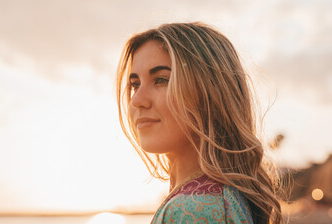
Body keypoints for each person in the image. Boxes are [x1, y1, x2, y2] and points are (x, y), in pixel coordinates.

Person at [116, 22, 283, 224]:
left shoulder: (191, 210)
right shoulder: (223, 196)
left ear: (209, 93)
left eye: (161, 79)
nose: (137, 100)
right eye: (135, 85)